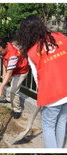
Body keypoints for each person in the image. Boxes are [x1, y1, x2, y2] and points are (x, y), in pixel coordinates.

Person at [16, 15, 67, 148]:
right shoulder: (62, 37)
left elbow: (37, 78)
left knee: (48, 126)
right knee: (62, 122)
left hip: (52, 95)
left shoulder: (32, 51)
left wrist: (42, 95)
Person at [0, 38, 29, 119]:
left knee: (14, 90)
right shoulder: (6, 46)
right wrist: (4, 73)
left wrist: (1, 88)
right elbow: (4, 60)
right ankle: (9, 99)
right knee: (10, 83)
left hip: (21, 71)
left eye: (0, 51)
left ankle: (17, 110)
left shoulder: (13, 54)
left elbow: (9, 72)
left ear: (6, 47)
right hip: (13, 69)